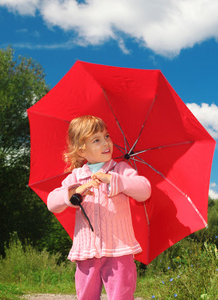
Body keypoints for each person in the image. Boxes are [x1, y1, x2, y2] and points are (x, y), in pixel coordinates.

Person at [47, 115, 151, 300]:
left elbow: (144, 190)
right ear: (81, 151)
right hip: (86, 251)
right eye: (97, 140)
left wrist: (112, 179)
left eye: (107, 136)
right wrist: (77, 191)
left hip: (120, 249)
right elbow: (52, 203)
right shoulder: (77, 176)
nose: (106, 143)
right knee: (86, 296)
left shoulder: (120, 169)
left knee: (122, 295)